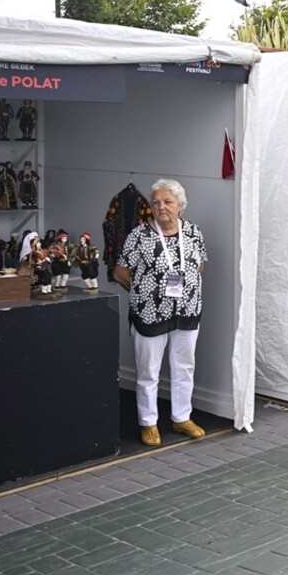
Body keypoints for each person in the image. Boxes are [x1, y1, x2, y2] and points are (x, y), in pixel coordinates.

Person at [113, 179, 209, 447]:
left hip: (187, 310)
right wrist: (146, 292)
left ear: (180, 205)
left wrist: (184, 288)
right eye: (155, 202)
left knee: (184, 367)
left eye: (167, 201)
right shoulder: (139, 235)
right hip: (150, 315)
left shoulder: (193, 232)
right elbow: (120, 272)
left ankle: (181, 417)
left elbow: (200, 265)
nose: (160, 207)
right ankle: (148, 422)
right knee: (148, 371)